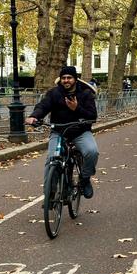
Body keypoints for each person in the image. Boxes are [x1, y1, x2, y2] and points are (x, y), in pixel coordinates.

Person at [25, 66, 99, 199]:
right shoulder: (54, 93)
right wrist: (34, 116)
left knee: (92, 151)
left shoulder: (86, 94)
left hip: (80, 132)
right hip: (59, 132)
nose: (66, 80)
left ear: (75, 79)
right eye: (63, 78)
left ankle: (85, 179)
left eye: (69, 78)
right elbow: (43, 106)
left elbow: (93, 116)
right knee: (52, 159)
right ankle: (50, 193)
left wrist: (77, 108)